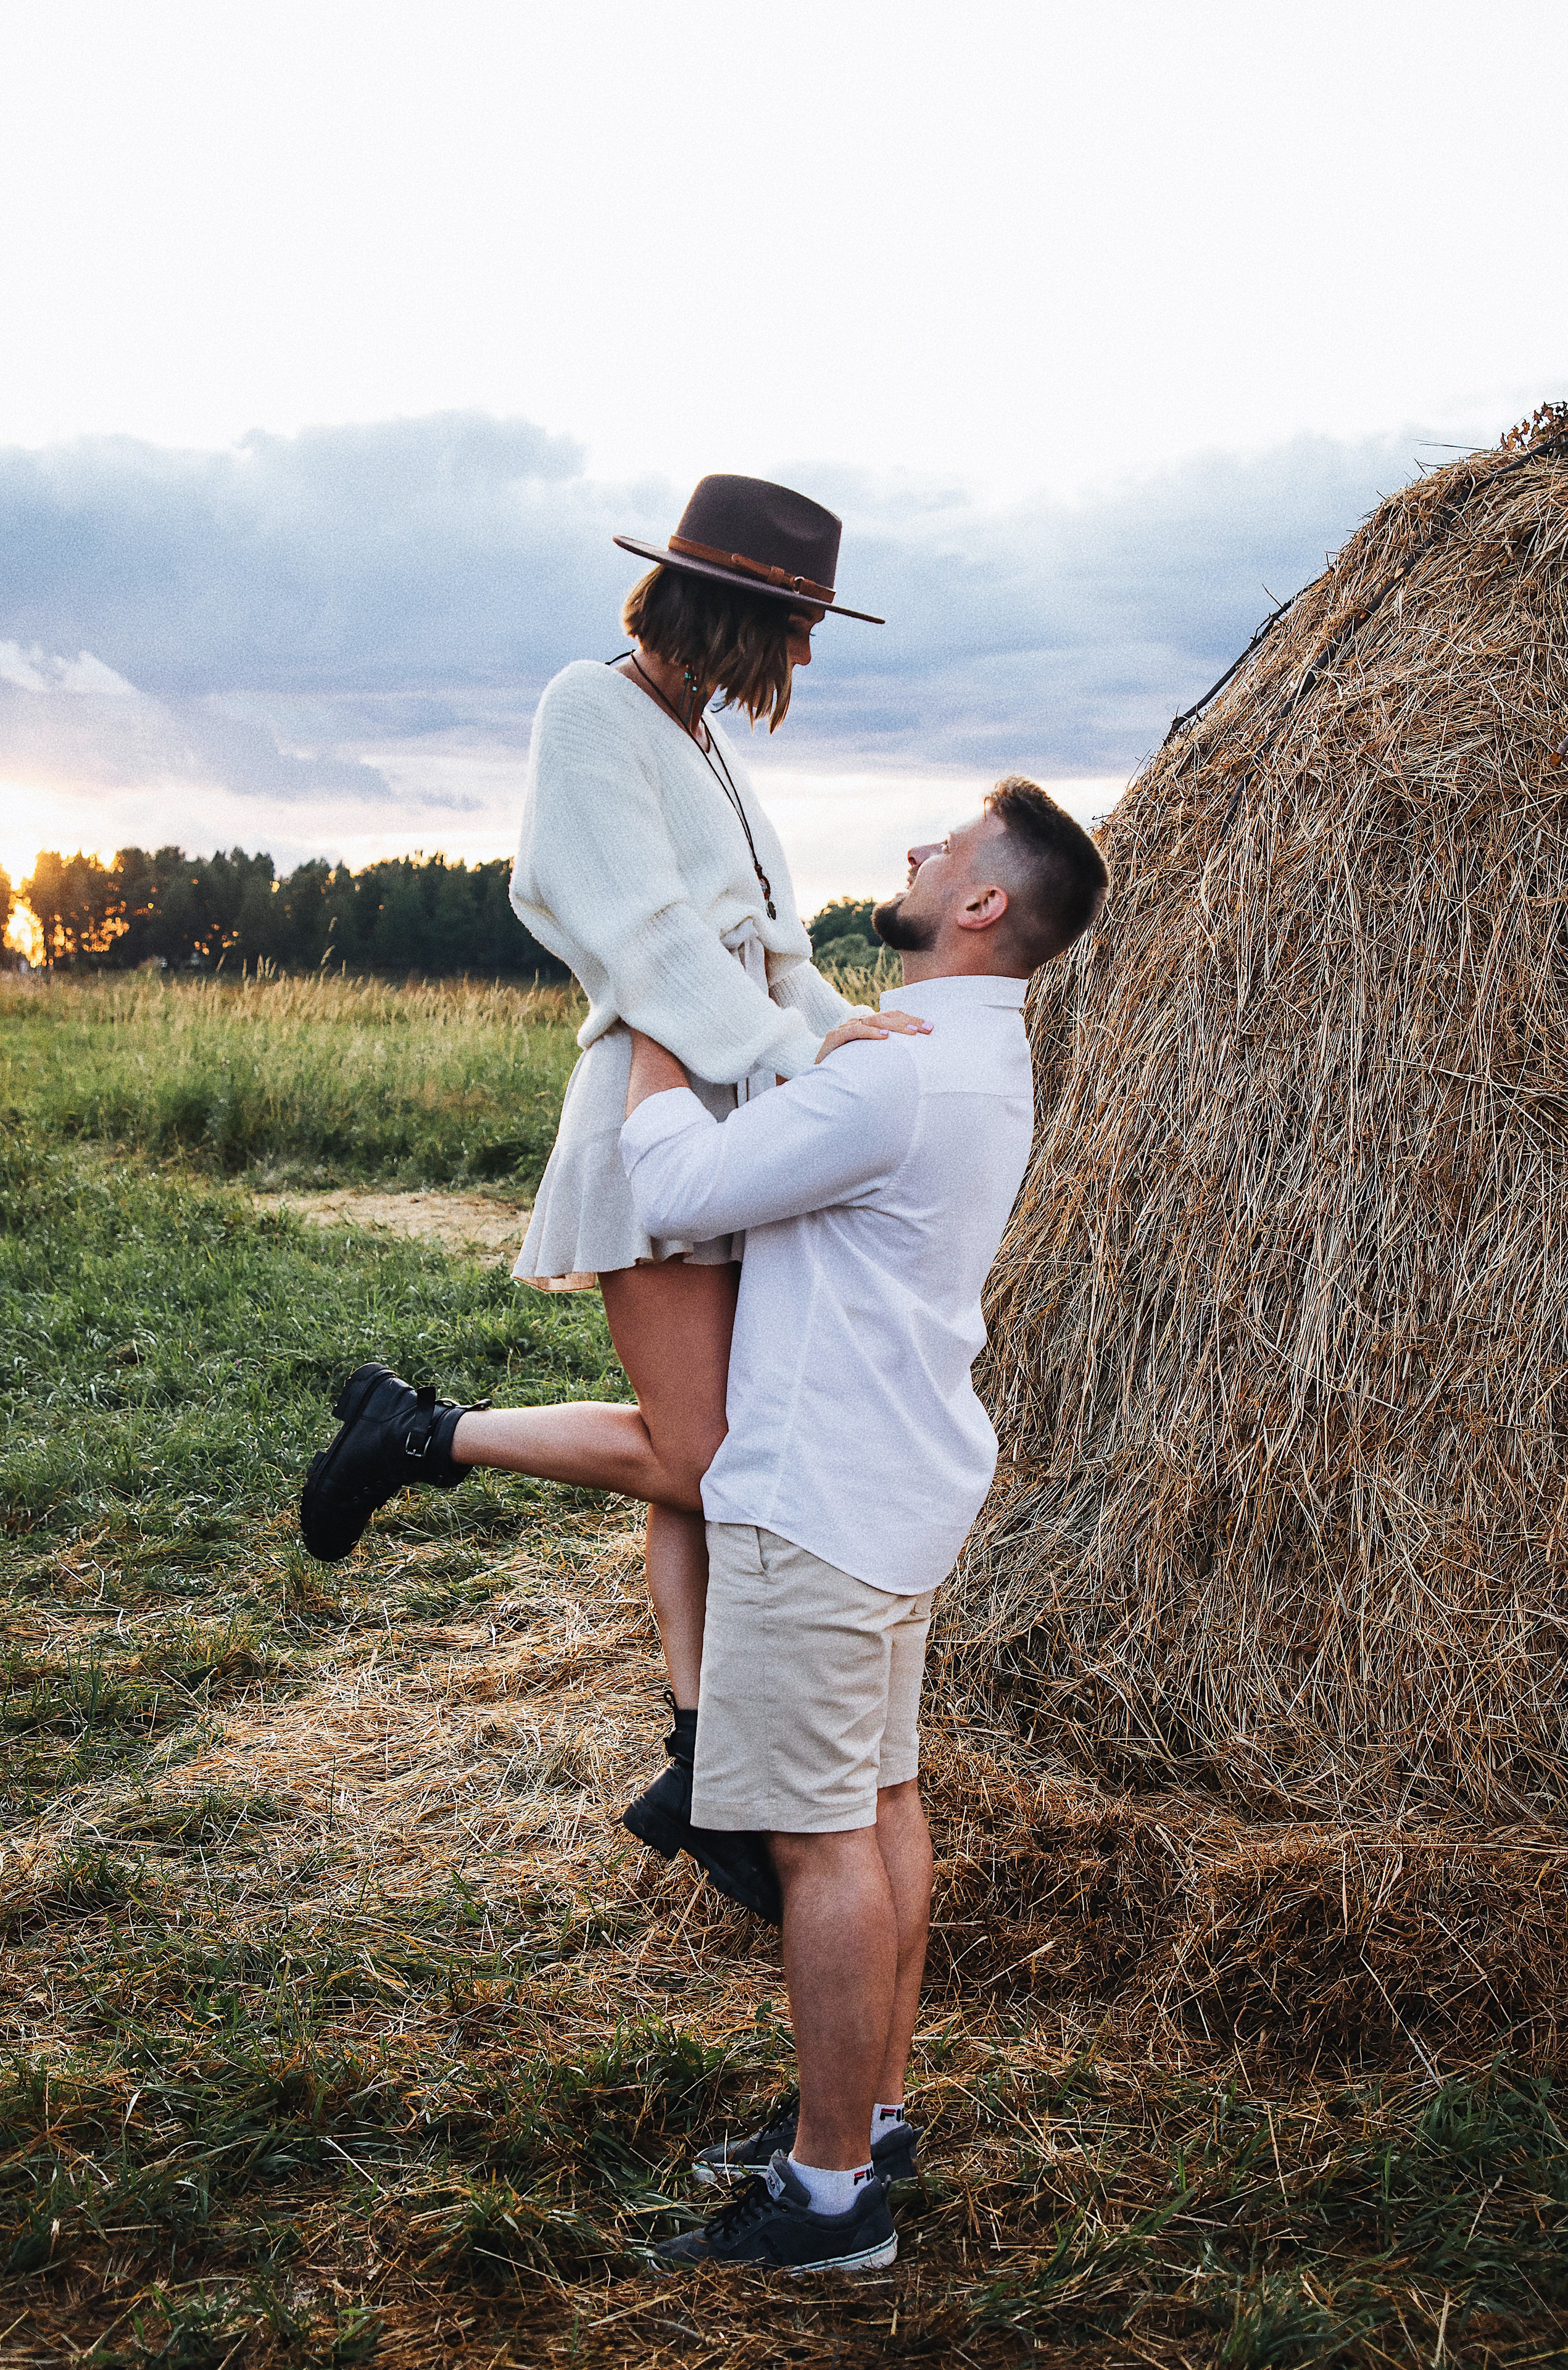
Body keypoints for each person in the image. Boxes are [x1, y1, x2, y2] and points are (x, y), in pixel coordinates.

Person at [298, 474, 926, 1923]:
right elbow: (643, 941)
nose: (808, 659)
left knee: (722, 1450)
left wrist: (850, 1041)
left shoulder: (700, 740)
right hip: (654, 1117)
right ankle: (418, 1434)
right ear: (735, 611)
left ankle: (707, 1764)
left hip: (743, 1124)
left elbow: (768, 954)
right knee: (705, 1459)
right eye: (799, 625)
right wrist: (797, 1053)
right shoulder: (589, 713)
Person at [615, 778, 1108, 2274]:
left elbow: (675, 1177)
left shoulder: (888, 1076)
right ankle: (869, 2114)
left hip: (816, 1500)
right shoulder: (965, 1060)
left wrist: (655, 1021)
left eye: (941, 848)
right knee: (883, 1808)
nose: (911, 851)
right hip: (891, 1492)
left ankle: (828, 2200)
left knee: (820, 1842)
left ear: (978, 905)